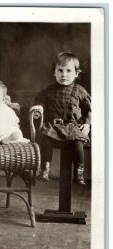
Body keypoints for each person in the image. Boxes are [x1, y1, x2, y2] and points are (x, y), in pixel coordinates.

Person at [31, 52, 91, 184]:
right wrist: (38, 109)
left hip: (72, 128)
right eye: (60, 70)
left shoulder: (80, 91)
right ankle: (45, 169)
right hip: (53, 127)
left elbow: (89, 109)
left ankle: (79, 172)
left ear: (76, 73)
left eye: (68, 71)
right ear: (54, 72)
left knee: (78, 142)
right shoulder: (49, 90)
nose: (64, 74)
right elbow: (39, 100)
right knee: (45, 138)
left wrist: (87, 124)